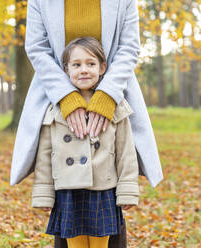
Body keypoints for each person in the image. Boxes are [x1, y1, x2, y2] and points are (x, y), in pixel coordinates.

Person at [10, 0, 164, 246]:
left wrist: (107, 95)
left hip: (113, 93)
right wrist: (66, 97)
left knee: (106, 199)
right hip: (56, 96)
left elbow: (129, 47)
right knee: (68, 207)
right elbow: (38, 48)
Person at [32, 36, 139, 248]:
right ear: (66, 70)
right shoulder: (56, 108)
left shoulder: (115, 106)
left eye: (91, 64)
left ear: (102, 68)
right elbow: (44, 155)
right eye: (76, 64)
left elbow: (126, 151)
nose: (84, 70)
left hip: (103, 188)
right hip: (68, 191)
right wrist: (44, 193)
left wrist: (128, 189)